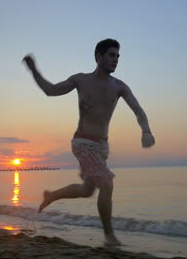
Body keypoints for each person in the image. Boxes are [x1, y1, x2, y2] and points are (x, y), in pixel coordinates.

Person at [22, 38, 155, 246]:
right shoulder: (81, 80)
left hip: (102, 146)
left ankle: (51, 195)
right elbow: (51, 90)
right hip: (83, 142)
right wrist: (34, 71)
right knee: (107, 184)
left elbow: (138, 110)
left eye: (118, 56)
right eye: (111, 55)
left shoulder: (119, 86)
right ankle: (109, 236)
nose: (116, 59)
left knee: (87, 190)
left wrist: (146, 129)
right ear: (98, 56)